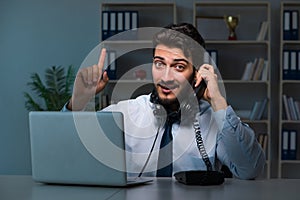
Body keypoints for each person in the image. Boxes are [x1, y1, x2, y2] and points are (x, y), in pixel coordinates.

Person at [62, 23, 266, 179]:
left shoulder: (216, 122)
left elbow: (250, 169)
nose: (165, 76)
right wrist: (77, 103)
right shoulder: (128, 112)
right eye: (159, 64)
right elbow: (70, 150)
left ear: (196, 74)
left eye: (178, 67)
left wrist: (219, 102)